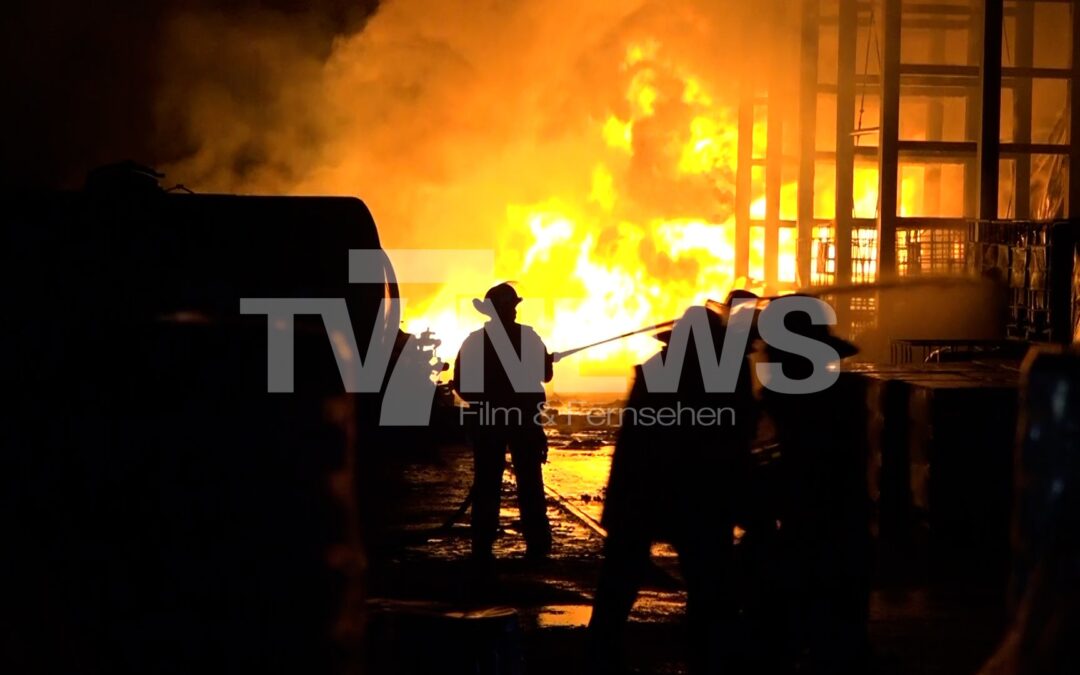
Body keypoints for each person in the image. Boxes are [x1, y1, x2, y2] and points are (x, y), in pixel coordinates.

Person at [587, 302, 759, 674]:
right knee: (709, 586)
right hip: (697, 495)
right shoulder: (727, 376)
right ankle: (709, 657)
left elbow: (634, 439)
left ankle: (601, 652)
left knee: (620, 580)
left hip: (644, 490)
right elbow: (738, 435)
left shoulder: (656, 371)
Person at [453, 282, 554, 562]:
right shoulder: (529, 338)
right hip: (524, 421)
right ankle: (538, 545)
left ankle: (482, 545)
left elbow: (461, 384)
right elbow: (546, 375)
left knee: (487, 483)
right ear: (509, 310)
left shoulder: (474, 342)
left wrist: (487, 401)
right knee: (530, 482)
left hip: (488, 422)